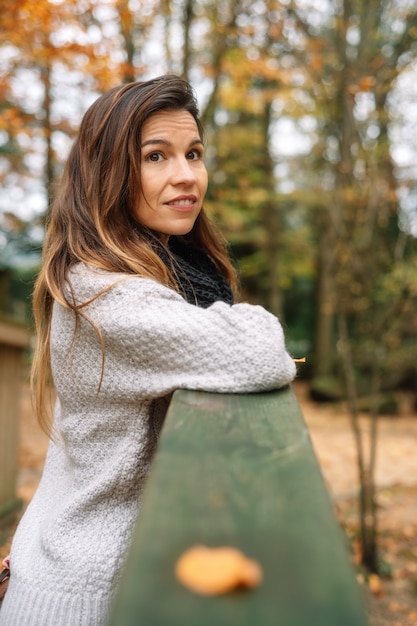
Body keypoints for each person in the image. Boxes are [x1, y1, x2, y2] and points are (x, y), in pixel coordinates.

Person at [0, 75, 296, 626]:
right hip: (82, 602)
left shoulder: (159, 275)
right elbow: (259, 353)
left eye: (194, 153)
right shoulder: (104, 295)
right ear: (107, 173)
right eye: (155, 156)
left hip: (84, 576)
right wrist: (243, 321)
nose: (186, 176)